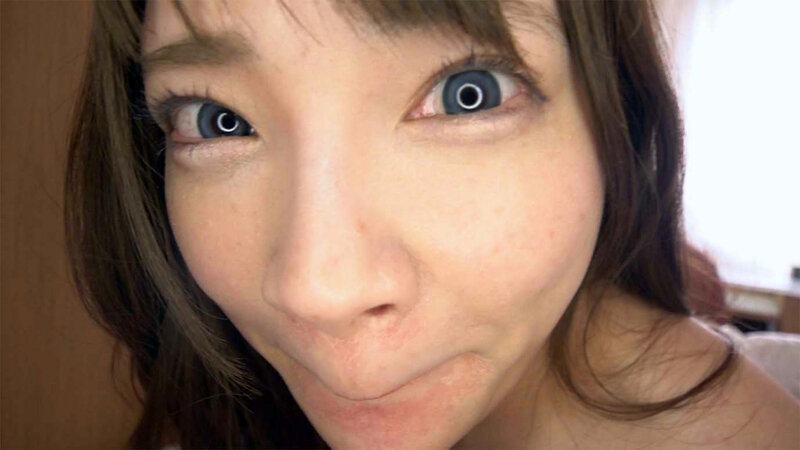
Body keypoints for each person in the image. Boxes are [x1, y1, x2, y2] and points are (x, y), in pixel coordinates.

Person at [64, 0, 800, 448]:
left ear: (615, 123)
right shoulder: (211, 397)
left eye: (466, 93)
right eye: (217, 120)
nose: (318, 292)